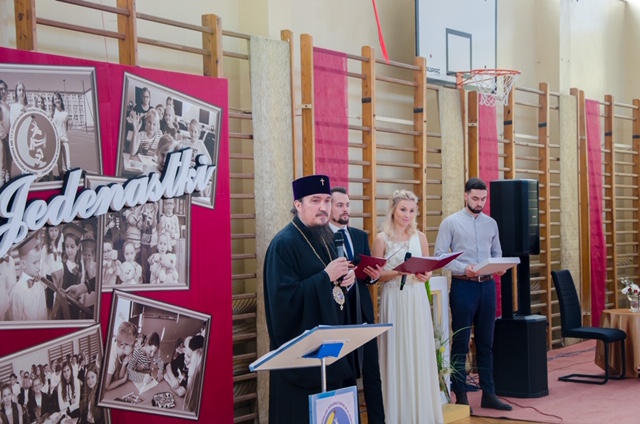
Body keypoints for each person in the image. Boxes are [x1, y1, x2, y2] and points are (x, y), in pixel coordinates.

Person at [263, 174, 356, 423]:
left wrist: (346, 282)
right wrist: (325, 277)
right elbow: (283, 302)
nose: (323, 207)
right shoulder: (283, 244)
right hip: (299, 363)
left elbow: (333, 291)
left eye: (327, 200)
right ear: (298, 205)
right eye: (315, 201)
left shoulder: (325, 238)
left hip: (329, 354)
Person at [434, 177, 512, 411]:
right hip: (463, 287)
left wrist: (500, 266)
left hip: (487, 287)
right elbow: (439, 255)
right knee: (461, 342)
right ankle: (461, 397)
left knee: (486, 342)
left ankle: (489, 393)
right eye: (475, 198)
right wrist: (462, 268)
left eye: (483, 199)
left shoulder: (491, 224)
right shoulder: (451, 223)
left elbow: (497, 252)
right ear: (465, 196)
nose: (480, 203)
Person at [370, 189, 444, 423]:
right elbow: (375, 276)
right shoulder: (381, 239)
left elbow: (428, 270)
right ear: (393, 209)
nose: (407, 215)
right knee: (397, 351)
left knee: (419, 351)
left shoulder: (419, 237)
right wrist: (398, 271)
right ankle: (398, 413)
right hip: (394, 299)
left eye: (412, 210)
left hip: (416, 299)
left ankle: (421, 413)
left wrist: (425, 275)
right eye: (403, 209)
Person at [329, 187, 385, 424]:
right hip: (338, 314)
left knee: (372, 371)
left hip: (362, 311)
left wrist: (374, 276)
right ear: (329, 208)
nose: (345, 210)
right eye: (339, 205)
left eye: (347, 205)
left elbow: (368, 275)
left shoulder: (359, 235)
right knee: (345, 373)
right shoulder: (322, 238)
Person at [10, 232, 48, 321]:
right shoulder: (17, 293)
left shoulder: (39, 286)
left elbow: (44, 314)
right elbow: (15, 322)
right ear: (23, 264)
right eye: (34, 263)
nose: (38, 266)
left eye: (39, 261)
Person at [104, 321, 137, 391]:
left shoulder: (122, 351)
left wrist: (124, 365)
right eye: (133, 345)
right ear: (123, 346)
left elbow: (120, 376)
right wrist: (123, 381)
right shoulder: (111, 357)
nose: (134, 347)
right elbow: (107, 386)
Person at [50, 91, 72, 177]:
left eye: (58, 98)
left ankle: (69, 180)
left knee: (68, 164)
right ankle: (62, 180)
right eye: (55, 99)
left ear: (61, 100)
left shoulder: (65, 114)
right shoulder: (52, 114)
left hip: (65, 141)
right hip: (57, 142)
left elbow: (66, 128)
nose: (57, 100)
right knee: (59, 165)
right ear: (53, 101)